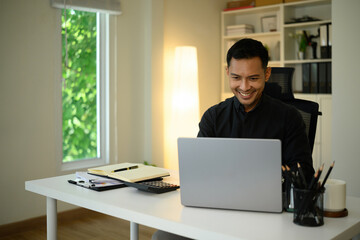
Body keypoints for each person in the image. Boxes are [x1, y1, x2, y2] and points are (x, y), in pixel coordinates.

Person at [152, 38, 314, 240]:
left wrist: (276, 173)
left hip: (269, 215)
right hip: (218, 210)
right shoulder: (213, 116)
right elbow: (198, 171)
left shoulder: (289, 117)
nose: (244, 87)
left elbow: (305, 173)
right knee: (163, 237)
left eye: (253, 78)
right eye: (237, 77)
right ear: (227, 72)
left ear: (267, 74)